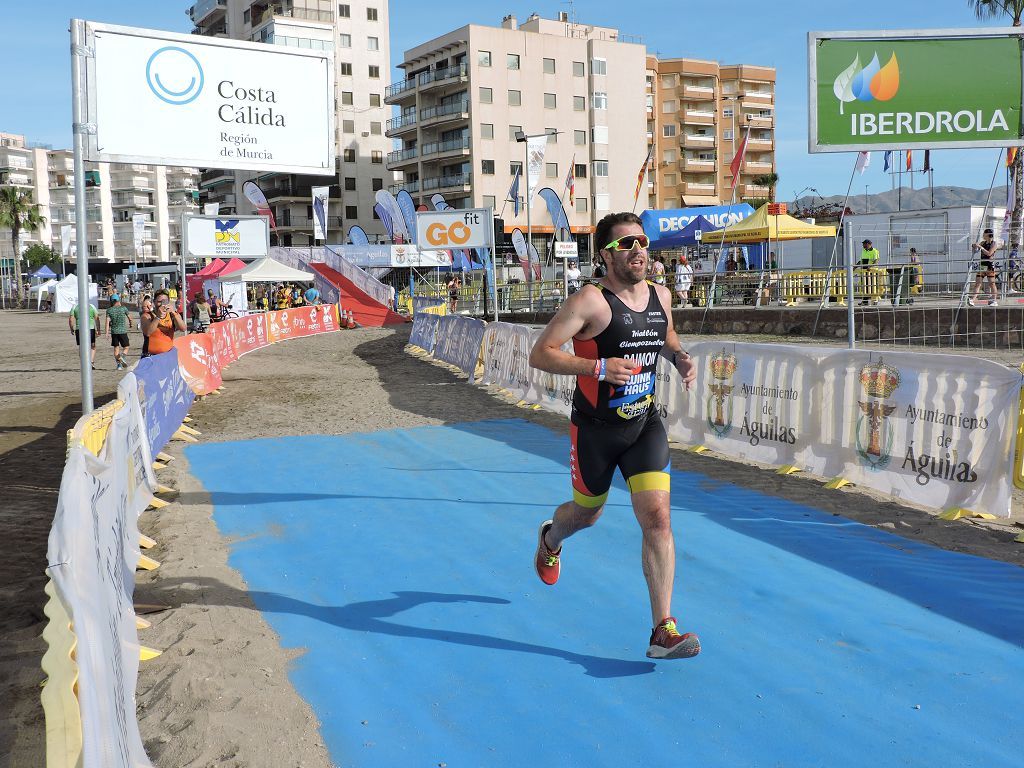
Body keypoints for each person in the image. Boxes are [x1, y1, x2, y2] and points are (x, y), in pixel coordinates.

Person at [528, 211, 700, 660]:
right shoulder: (590, 301)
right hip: (595, 431)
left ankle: (663, 630)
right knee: (587, 516)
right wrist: (597, 367)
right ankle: (551, 540)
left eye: (642, 241)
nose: (639, 250)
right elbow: (540, 353)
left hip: (644, 425)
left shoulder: (661, 293)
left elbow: (664, 335)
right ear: (605, 253)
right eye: (627, 245)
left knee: (658, 519)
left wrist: (679, 356)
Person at [142, 291, 186, 355]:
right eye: (159, 302)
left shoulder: (172, 315)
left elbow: (183, 328)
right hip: (151, 355)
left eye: (165, 302)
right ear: (154, 302)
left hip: (168, 354)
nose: (162, 304)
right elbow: (148, 333)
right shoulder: (147, 316)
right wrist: (158, 317)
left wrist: (173, 313)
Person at [969, 229, 999, 306]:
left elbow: (989, 253)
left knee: (992, 284)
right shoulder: (982, 243)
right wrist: (974, 247)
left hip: (989, 266)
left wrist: (981, 247)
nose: (983, 236)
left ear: (988, 235)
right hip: (982, 265)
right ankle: (973, 299)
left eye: (984, 234)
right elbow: (976, 250)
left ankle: (994, 300)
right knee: (978, 283)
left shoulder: (994, 244)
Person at [104, 293, 133, 370]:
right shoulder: (123, 308)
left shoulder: (109, 310)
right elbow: (130, 318)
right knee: (126, 347)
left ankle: (119, 366)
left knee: (116, 348)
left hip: (114, 332)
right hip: (123, 331)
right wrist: (131, 324)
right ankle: (122, 357)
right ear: (118, 300)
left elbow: (107, 322)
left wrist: (106, 333)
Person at [69, 300, 98, 369]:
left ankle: (84, 363)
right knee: (92, 346)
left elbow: (70, 319)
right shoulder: (92, 306)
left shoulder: (74, 306)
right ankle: (91, 362)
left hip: (79, 329)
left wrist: (71, 328)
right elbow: (97, 318)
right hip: (90, 328)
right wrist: (98, 329)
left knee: (82, 347)